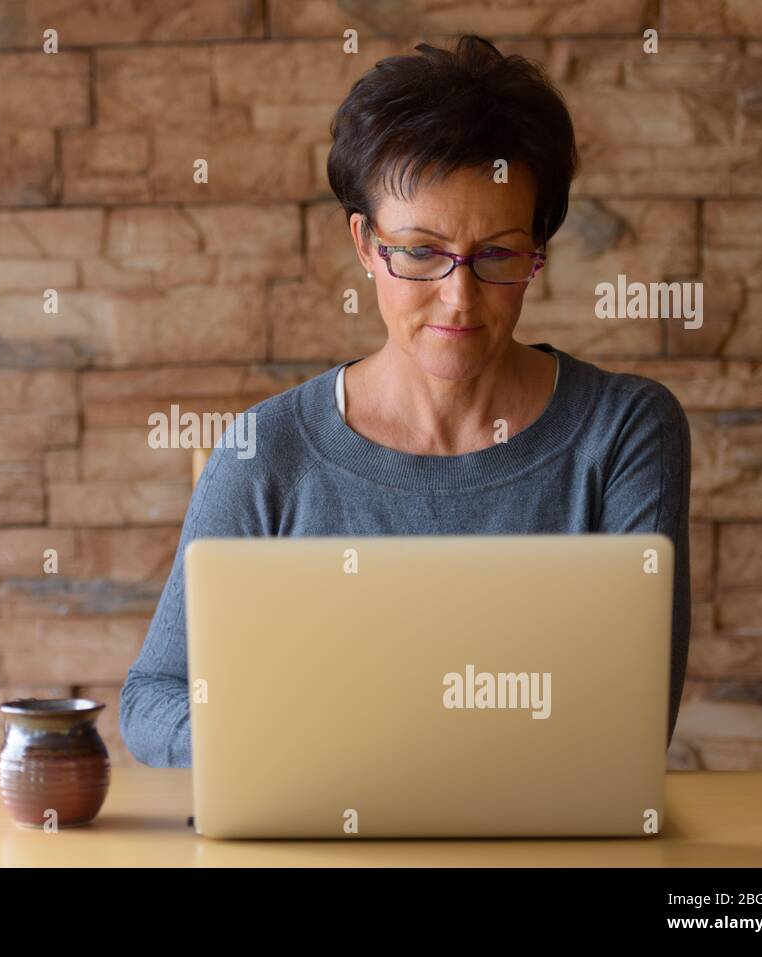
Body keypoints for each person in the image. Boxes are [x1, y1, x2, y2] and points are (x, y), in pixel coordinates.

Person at [120, 36, 691, 767]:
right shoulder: (264, 450)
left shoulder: (625, 433)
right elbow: (153, 696)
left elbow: (633, 718)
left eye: (499, 254)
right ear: (365, 243)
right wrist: (285, 748)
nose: (460, 297)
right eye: (420, 252)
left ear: (540, 249)